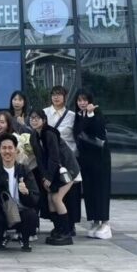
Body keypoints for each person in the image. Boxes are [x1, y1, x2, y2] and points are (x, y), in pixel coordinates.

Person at [28, 110, 76, 246]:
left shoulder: (49, 133)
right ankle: (58, 229)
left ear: (44, 120)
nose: (34, 120)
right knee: (50, 199)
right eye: (31, 118)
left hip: (67, 169)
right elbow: (40, 159)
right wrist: (45, 177)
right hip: (52, 172)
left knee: (56, 198)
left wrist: (48, 177)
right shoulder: (33, 136)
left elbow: (54, 157)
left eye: (37, 118)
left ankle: (66, 232)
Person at [0, 134, 39, 252]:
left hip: (21, 211)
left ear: (16, 150)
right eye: (4, 148)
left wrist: (26, 193)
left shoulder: (24, 170)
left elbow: (35, 198)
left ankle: (24, 239)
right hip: (3, 211)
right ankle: (0, 239)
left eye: (10, 148)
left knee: (31, 215)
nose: (7, 151)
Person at [73, 90, 112, 240]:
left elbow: (99, 132)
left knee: (101, 190)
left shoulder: (97, 114)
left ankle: (105, 222)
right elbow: (78, 132)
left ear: (90, 101)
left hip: (100, 159)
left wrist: (90, 115)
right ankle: (95, 221)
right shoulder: (78, 116)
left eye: (85, 100)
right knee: (89, 191)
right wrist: (86, 117)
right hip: (85, 160)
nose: (82, 103)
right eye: (79, 100)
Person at [43, 85, 81, 235]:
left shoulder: (72, 116)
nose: (56, 97)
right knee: (53, 194)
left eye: (59, 94)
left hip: (68, 160)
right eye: (53, 94)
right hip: (52, 161)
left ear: (65, 97)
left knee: (71, 195)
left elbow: (77, 137)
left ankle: (70, 225)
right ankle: (58, 226)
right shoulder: (44, 113)